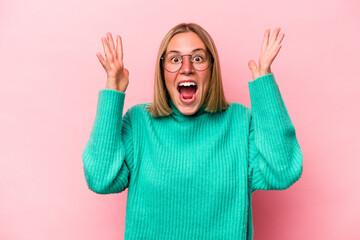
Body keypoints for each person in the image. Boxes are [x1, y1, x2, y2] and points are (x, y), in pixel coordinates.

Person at [82, 23, 303, 240]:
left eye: (198, 58)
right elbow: (101, 179)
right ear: (162, 72)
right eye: (175, 59)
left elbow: (283, 172)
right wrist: (113, 90)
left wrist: (264, 84)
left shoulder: (240, 123)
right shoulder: (139, 123)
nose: (186, 68)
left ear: (212, 68)